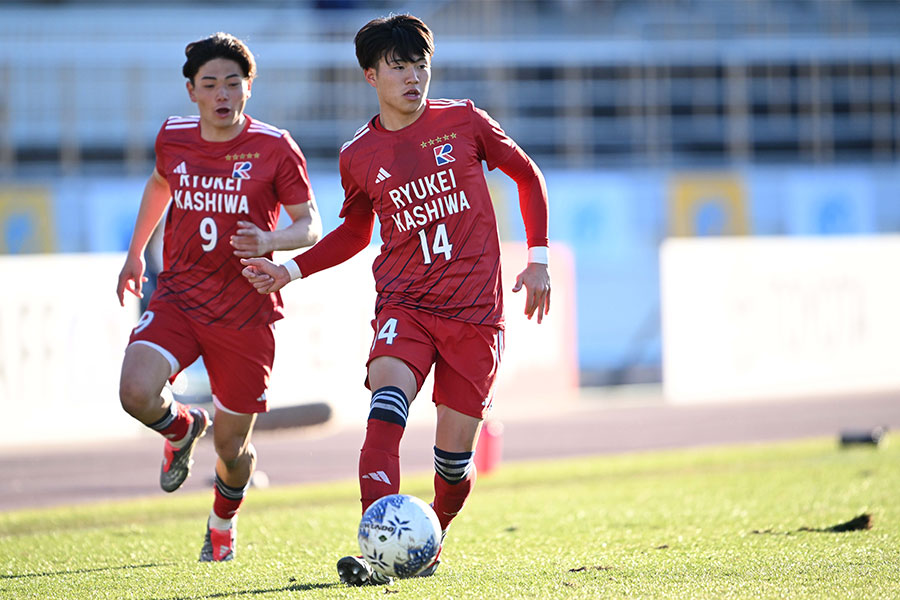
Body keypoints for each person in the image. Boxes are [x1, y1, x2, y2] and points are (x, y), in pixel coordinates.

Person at [241, 13, 550, 585]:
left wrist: (538, 260)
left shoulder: (464, 120)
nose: (414, 77)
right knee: (385, 412)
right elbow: (357, 232)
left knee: (453, 465)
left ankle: (430, 544)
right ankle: (374, 552)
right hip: (405, 306)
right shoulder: (357, 154)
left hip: (476, 316)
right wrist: (290, 269)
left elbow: (526, 177)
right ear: (370, 75)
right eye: (399, 66)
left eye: (421, 64)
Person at [116, 32, 321, 563]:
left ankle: (222, 523)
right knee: (136, 391)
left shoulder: (276, 146)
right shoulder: (173, 137)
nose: (222, 93)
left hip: (246, 310)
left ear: (248, 88)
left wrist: (272, 241)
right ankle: (184, 427)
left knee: (233, 450)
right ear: (192, 91)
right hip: (180, 295)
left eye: (233, 82)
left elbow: (310, 225)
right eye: (210, 84)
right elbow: (160, 185)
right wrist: (137, 253)